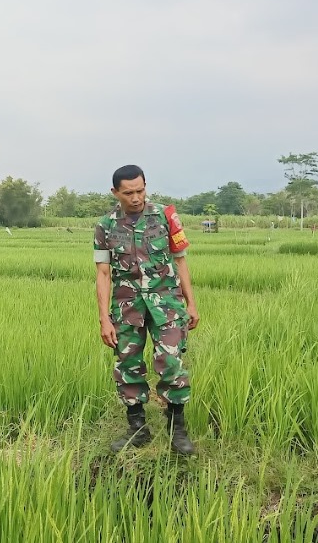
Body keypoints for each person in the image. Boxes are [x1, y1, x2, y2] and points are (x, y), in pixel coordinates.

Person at [94, 165, 200, 455]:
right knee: (127, 365)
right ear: (115, 192)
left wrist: (191, 303)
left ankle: (177, 431)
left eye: (141, 190)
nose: (137, 197)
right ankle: (137, 428)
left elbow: (180, 261)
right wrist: (104, 319)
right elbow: (103, 274)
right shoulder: (105, 226)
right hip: (127, 307)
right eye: (129, 193)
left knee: (171, 362)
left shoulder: (165, 216)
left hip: (167, 304)